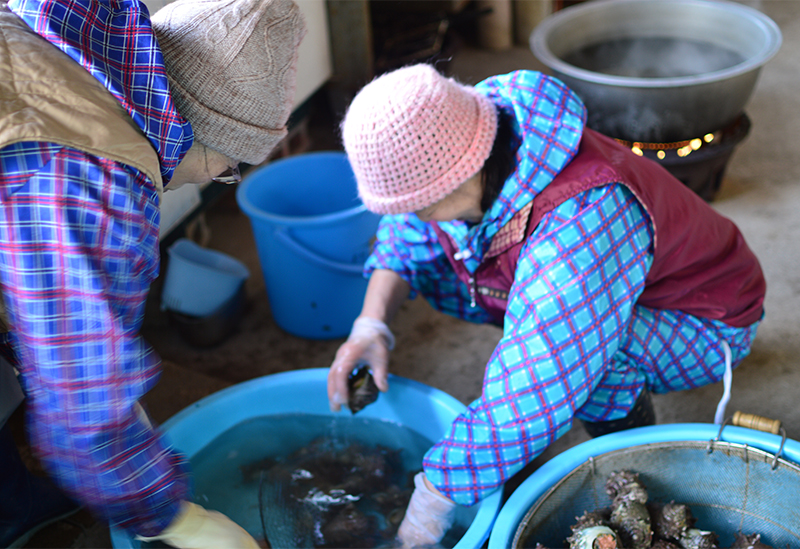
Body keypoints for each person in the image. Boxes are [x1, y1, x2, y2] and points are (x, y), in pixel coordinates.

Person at [327, 64, 766, 546]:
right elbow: (407, 233)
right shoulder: (474, 130)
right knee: (545, 327)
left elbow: (536, 383)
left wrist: (433, 497)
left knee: (584, 366)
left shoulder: (584, 214)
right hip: (616, 281)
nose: (411, 217)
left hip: (706, 317)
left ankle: (632, 460)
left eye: (419, 206)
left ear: (459, 174)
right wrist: (371, 326)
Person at [0, 0, 305, 546]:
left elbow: (29, 275)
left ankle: (13, 509)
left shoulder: (66, 46)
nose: (210, 179)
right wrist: (183, 522)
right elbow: (83, 420)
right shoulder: (97, 183)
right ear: (209, 140)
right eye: (228, 168)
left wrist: (101, 370)